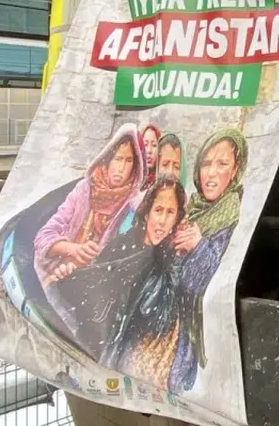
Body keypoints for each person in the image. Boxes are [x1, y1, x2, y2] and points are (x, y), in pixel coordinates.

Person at [169, 128, 247, 393]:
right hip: (171, 321)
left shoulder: (234, 215)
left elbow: (209, 278)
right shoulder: (193, 209)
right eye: (205, 163)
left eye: (222, 164)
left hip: (199, 332)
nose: (211, 173)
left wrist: (197, 245)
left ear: (235, 169)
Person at [101, 176, 189, 390]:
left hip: (133, 361)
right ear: (147, 212)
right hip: (106, 353)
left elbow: (159, 320)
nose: (162, 220)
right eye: (158, 210)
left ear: (177, 219)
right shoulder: (121, 246)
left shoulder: (171, 259)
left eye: (170, 212)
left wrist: (176, 261)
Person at [33, 124, 145, 286]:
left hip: (94, 284)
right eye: (118, 159)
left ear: (135, 166)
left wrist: (82, 265)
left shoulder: (133, 204)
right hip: (52, 271)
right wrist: (73, 249)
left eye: (129, 161)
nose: (121, 168)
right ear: (108, 160)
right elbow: (44, 236)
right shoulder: (84, 189)